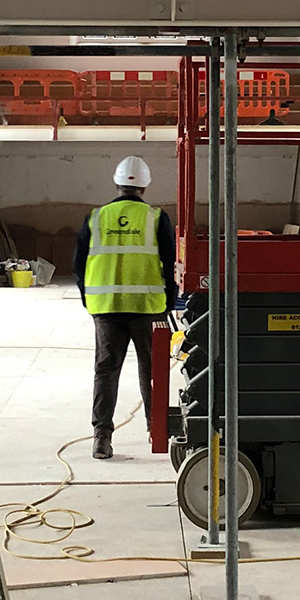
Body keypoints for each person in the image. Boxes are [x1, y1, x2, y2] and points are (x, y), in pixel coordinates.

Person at [74, 155, 178, 460]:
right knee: (152, 371)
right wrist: (168, 303)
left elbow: (78, 265)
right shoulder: (157, 218)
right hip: (148, 308)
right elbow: (171, 264)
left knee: (106, 371)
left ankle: (101, 438)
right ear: (144, 187)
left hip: (106, 308)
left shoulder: (96, 217)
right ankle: (155, 429)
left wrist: (89, 299)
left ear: (117, 184)